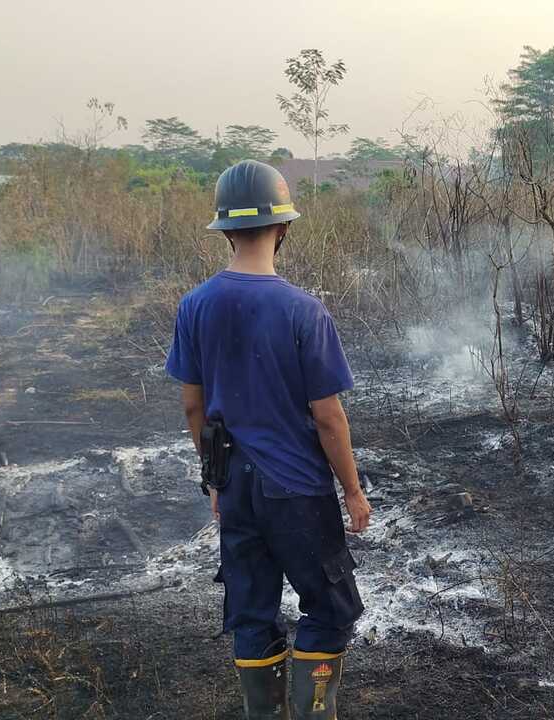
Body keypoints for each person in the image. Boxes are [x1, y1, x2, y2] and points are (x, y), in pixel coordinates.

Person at [166, 160, 372, 719]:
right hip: (298, 491)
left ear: (226, 230)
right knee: (328, 609)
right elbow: (328, 417)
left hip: (234, 487)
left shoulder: (194, 306)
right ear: (282, 228)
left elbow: (193, 405)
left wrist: (215, 480)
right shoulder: (304, 310)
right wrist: (352, 491)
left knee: (252, 613)